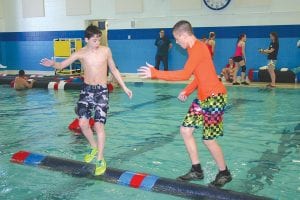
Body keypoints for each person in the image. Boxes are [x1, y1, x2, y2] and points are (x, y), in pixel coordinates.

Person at [138, 20, 232, 187]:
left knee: (208, 140)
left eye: (176, 38)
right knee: (185, 130)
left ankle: (224, 173)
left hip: (215, 97)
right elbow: (200, 76)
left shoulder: (198, 49)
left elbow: (184, 74)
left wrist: (155, 73)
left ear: (183, 34)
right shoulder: (194, 49)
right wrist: (187, 91)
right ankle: (196, 170)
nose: (176, 42)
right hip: (203, 97)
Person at [40, 25, 132, 175]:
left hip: (102, 90)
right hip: (87, 90)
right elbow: (62, 65)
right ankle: (93, 147)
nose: (97, 42)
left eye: (99, 39)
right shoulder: (81, 53)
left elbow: (114, 69)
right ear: (87, 40)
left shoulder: (105, 51)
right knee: (83, 124)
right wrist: (53, 64)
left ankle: (100, 158)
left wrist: (125, 87)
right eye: (94, 40)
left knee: (98, 126)